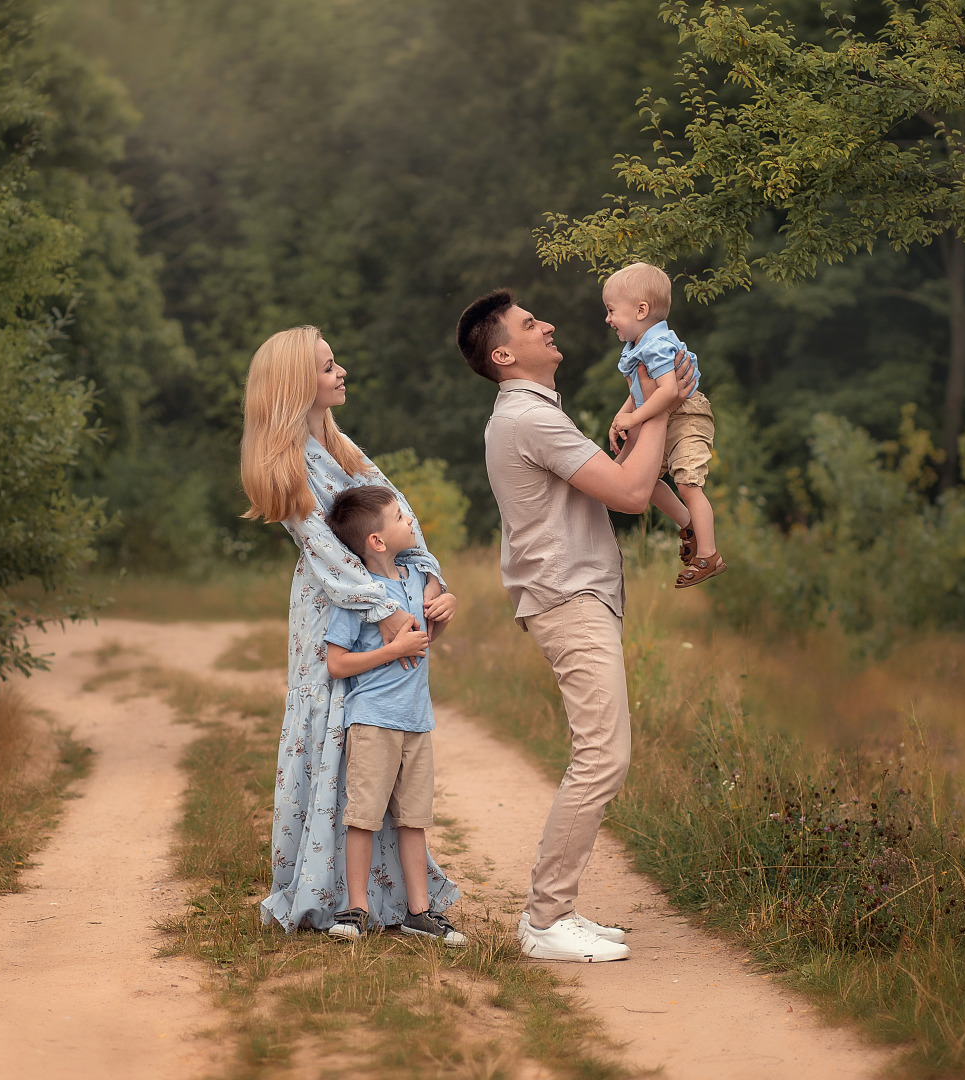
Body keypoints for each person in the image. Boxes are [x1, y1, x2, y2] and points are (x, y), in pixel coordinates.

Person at [455, 288, 693, 963]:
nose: (548, 325)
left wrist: (646, 410)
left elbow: (628, 485)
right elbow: (627, 494)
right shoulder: (530, 420)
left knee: (600, 754)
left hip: (572, 597)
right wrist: (661, 407)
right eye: (531, 325)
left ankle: (555, 911)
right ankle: (545, 918)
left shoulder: (533, 415)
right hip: (568, 599)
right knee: (602, 757)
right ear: (503, 354)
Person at [241, 325, 461, 934]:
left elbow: (400, 515)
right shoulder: (287, 460)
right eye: (327, 367)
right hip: (336, 606)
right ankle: (334, 891)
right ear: (293, 385)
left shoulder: (342, 448)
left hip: (388, 591)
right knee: (336, 727)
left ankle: (389, 896)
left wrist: (428, 581)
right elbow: (325, 551)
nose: (341, 374)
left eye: (337, 363)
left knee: (382, 732)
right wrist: (386, 612)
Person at [320, 485, 465, 945]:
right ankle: (356, 908)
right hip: (373, 719)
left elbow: (419, 648)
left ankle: (419, 912)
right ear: (377, 541)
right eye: (401, 517)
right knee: (363, 816)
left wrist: (445, 610)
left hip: (416, 720)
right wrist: (394, 649)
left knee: (413, 819)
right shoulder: (361, 595)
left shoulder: (416, 577)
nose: (411, 522)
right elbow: (337, 663)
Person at [603, 262, 725, 587]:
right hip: (665, 415)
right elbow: (642, 390)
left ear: (641, 310)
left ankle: (709, 555)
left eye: (612, 310)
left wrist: (634, 418)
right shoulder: (638, 346)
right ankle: (688, 526)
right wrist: (622, 415)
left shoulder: (656, 346)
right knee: (644, 479)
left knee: (688, 483)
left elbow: (670, 391)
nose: (608, 318)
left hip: (686, 415)